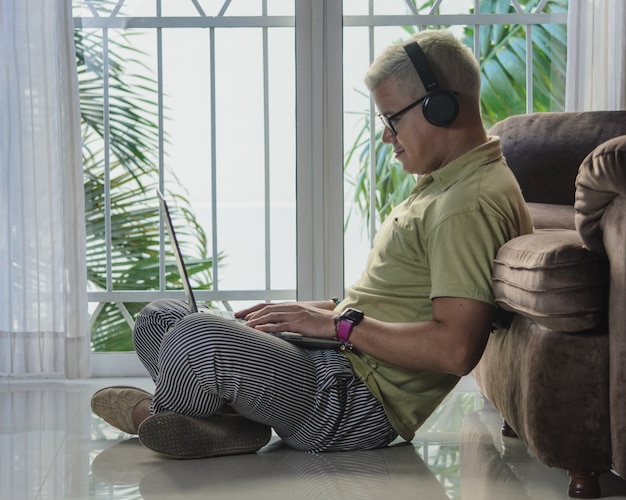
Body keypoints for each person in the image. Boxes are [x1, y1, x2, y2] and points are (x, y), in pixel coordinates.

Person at [91, 29, 533, 459]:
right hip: (337, 361)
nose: (385, 137)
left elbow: (455, 349)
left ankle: (161, 413)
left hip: (354, 401)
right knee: (158, 318)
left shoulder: (466, 204)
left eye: (392, 119)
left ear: (440, 107)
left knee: (195, 336)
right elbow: (395, 300)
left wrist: (335, 326)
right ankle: (227, 420)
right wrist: (308, 314)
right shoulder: (446, 183)